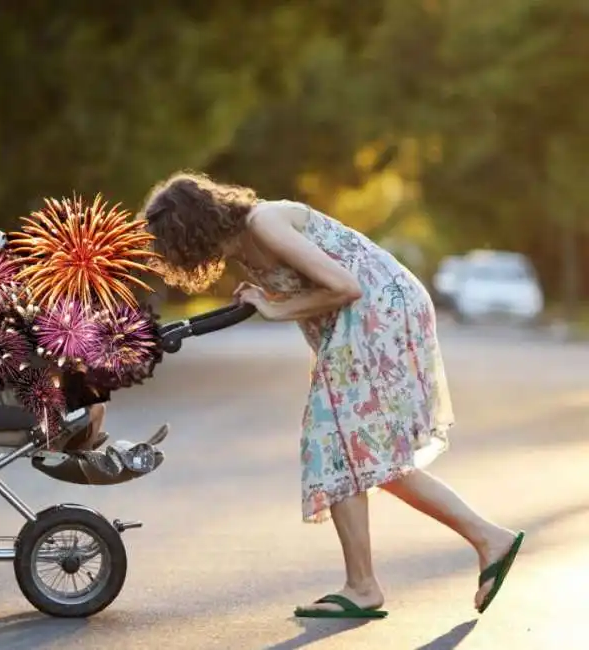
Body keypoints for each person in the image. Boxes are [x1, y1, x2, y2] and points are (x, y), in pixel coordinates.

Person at [140, 171, 524, 619]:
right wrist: (267, 294)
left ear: (196, 227)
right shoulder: (244, 244)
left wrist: (276, 307)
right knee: (357, 453)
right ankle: (460, 548)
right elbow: (311, 284)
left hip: (380, 311)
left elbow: (345, 287)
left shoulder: (264, 223)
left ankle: (382, 578)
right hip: (362, 320)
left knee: (339, 444)